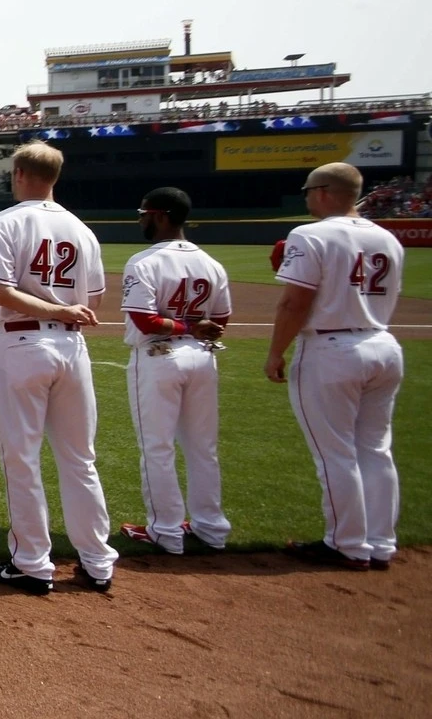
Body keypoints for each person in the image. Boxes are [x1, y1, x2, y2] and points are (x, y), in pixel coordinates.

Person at [0, 142, 117, 594]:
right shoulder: (82, 229)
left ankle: (33, 563)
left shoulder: (6, 221)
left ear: (19, 173)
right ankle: (97, 562)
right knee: (80, 459)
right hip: (72, 350)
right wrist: (64, 311)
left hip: (22, 343)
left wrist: (52, 312)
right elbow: (91, 303)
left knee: (21, 457)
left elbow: (1, 292)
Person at [267, 162, 407, 569]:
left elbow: (295, 302)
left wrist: (276, 351)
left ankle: (345, 543)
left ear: (325, 191)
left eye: (309, 190)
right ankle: (380, 543)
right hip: (382, 342)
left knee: (336, 452)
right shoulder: (387, 238)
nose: (307, 197)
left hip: (332, 348)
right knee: (377, 450)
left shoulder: (310, 234)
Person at [117, 187, 233, 555]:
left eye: (144, 213)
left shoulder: (144, 261)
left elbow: (145, 319)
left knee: (158, 447)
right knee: (203, 448)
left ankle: (165, 531)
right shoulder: (211, 263)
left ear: (161, 215)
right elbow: (221, 318)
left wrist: (183, 327)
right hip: (202, 357)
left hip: (160, 357)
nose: (140, 220)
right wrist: (195, 328)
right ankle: (211, 529)